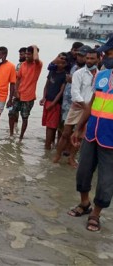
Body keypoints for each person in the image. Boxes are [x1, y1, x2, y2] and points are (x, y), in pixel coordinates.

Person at [68, 40, 113, 232]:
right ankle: (85, 203)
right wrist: (79, 128)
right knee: (83, 171)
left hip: (110, 139)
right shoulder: (101, 75)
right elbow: (92, 103)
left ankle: (96, 213)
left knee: (106, 178)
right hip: (92, 133)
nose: (103, 57)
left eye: (107, 54)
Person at [54, 48, 98, 166]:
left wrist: (89, 108)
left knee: (80, 136)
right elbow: (75, 92)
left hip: (91, 109)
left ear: (98, 59)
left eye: (92, 58)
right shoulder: (79, 73)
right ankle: (57, 155)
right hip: (77, 107)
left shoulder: (100, 75)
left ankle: (71, 158)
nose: (88, 60)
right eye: (87, 58)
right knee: (66, 133)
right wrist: (85, 107)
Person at [8, 45, 43, 141]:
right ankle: (11, 134)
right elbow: (18, 78)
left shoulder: (37, 65)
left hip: (29, 97)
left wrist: (35, 47)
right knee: (11, 114)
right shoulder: (22, 65)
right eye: (26, 53)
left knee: (24, 117)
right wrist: (16, 91)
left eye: (29, 54)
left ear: (34, 54)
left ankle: (21, 137)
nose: (26, 56)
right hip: (19, 94)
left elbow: (36, 58)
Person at [39, 54, 67, 150]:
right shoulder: (52, 71)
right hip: (47, 100)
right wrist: (43, 97)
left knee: (51, 126)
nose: (60, 64)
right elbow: (46, 86)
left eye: (62, 63)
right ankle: (48, 145)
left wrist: (53, 103)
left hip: (55, 104)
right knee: (48, 125)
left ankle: (47, 146)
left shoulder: (64, 75)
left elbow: (61, 91)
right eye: (59, 61)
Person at [0, 46, 16, 136]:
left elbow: (13, 84)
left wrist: (10, 99)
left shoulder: (11, 67)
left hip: (1, 95)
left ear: (5, 55)